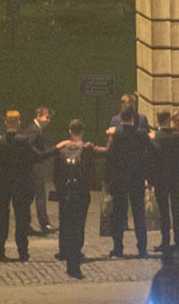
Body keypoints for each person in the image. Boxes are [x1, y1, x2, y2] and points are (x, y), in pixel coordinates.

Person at [0, 110, 58, 262]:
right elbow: (39, 156)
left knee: (2, 218)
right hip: (21, 184)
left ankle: (0, 250)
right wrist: (57, 148)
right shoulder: (24, 141)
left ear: (5, 122)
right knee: (21, 219)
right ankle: (22, 251)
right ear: (19, 122)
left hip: (3, 185)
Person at [52, 119, 101, 278]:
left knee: (64, 221)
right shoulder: (86, 150)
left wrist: (59, 189)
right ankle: (76, 251)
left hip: (65, 191)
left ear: (69, 131)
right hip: (81, 192)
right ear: (82, 131)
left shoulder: (62, 149)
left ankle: (64, 249)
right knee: (79, 224)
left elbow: (56, 173)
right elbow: (90, 171)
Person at [106, 106, 151, 258]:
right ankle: (142, 249)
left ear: (121, 118)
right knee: (139, 215)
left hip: (119, 179)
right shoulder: (141, 133)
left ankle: (118, 248)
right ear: (133, 118)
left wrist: (108, 181)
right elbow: (150, 151)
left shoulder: (117, 134)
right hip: (137, 179)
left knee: (119, 215)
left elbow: (110, 157)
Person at [150, 111, 179, 254]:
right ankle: (178, 241)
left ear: (158, 120)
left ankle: (165, 242)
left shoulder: (154, 138)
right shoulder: (177, 137)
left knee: (164, 212)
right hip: (175, 178)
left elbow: (150, 160)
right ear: (168, 120)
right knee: (176, 210)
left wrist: (151, 179)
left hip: (160, 179)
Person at [25, 106, 57, 235]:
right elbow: (30, 146)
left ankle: (27, 224)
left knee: (32, 196)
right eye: (46, 117)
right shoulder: (34, 130)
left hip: (32, 165)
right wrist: (40, 154)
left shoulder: (34, 129)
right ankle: (44, 224)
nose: (48, 120)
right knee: (40, 195)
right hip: (34, 166)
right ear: (38, 115)